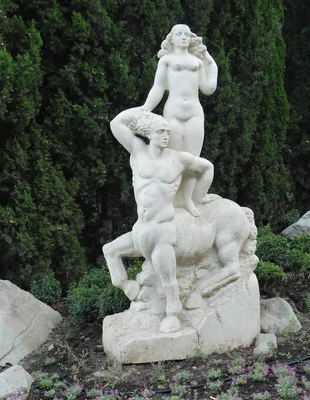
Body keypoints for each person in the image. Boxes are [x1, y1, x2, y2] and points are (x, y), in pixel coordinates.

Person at [102, 108, 215, 333]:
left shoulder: (178, 159)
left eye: (167, 131)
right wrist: (144, 111)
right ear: (148, 134)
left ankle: (173, 313)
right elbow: (117, 123)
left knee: (168, 278)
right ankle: (124, 284)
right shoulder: (137, 151)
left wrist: (196, 198)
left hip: (163, 228)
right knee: (110, 250)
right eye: (160, 131)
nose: (166, 135)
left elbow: (207, 168)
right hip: (142, 227)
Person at [141, 24, 218, 216]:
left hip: (194, 113)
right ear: (172, 39)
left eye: (186, 34)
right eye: (179, 34)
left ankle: (188, 200)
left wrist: (209, 60)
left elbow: (208, 88)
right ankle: (171, 201)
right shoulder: (166, 61)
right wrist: (145, 109)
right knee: (173, 159)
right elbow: (158, 88)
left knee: (192, 160)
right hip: (173, 112)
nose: (183, 37)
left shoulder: (197, 62)